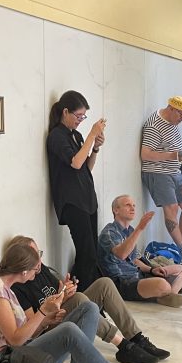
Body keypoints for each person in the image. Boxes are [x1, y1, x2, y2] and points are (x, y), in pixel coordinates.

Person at [0, 243, 172, 363]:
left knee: (89, 308)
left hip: (18, 357)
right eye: (34, 268)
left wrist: (47, 315)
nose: (37, 272)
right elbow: (15, 339)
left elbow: (22, 332)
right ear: (24, 270)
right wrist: (43, 313)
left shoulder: (4, 288)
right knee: (69, 330)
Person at [6, 235, 169, 363]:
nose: (39, 260)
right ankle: (122, 345)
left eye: (39, 253)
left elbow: (59, 292)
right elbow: (32, 328)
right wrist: (61, 302)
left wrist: (67, 288)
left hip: (63, 309)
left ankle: (135, 337)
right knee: (80, 301)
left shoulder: (42, 270)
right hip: (49, 327)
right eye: (34, 255)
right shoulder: (18, 287)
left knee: (104, 283)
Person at [46, 90, 106, 290]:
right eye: (78, 116)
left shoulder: (77, 135)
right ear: (65, 112)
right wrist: (92, 134)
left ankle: (84, 295)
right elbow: (75, 163)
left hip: (87, 198)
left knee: (91, 253)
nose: (81, 120)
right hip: (72, 202)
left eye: (83, 117)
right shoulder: (56, 136)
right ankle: (81, 296)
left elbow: (86, 166)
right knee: (86, 252)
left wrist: (95, 147)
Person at [140, 95, 182, 265]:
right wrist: (174, 155)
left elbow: (173, 152)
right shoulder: (154, 125)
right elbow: (145, 154)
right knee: (172, 208)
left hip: (173, 171)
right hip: (157, 172)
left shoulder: (173, 123)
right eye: (181, 115)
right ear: (171, 109)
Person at [97, 195, 182, 306]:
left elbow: (134, 260)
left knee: (181, 270)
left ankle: (169, 295)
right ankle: (167, 290)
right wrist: (140, 228)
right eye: (127, 205)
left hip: (138, 275)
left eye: (134, 205)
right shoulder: (109, 232)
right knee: (162, 284)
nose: (132, 208)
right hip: (121, 282)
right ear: (116, 210)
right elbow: (121, 254)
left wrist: (152, 270)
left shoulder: (130, 231)